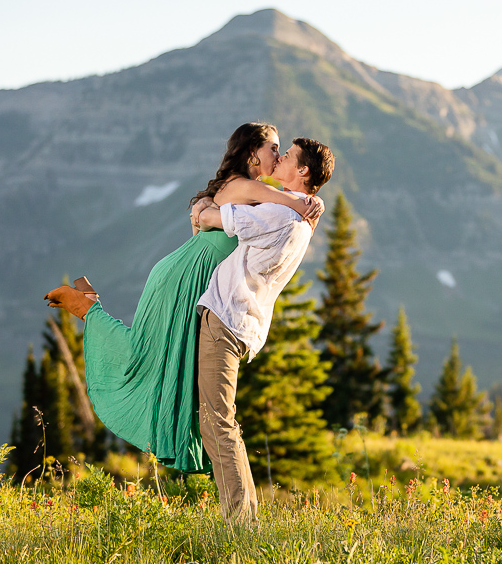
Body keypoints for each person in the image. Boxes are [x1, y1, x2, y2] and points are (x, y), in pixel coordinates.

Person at [43, 122, 323, 474]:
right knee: (147, 352)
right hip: (187, 277)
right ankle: (87, 308)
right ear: (253, 153)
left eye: (282, 150)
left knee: (161, 355)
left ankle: (88, 306)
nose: (277, 155)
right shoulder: (246, 186)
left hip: (194, 274)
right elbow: (287, 202)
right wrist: (312, 203)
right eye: (273, 148)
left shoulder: (247, 189)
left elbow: (202, 224)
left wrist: (209, 209)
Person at [192, 136, 334, 523]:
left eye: (287, 155)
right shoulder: (301, 222)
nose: (282, 157)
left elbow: (215, 219)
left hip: (224, 319)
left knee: (218, 423)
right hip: (244, 325)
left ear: (302, 171)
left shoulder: (281, 215)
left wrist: (202, 208)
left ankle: (241, 522)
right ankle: (246, 516)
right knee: (222, 420)